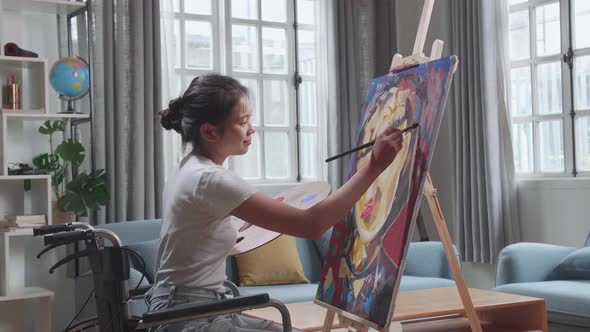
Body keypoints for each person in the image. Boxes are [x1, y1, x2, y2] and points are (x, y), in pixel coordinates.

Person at [146, 73, 403, 331]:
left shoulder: (188, 169)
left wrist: (242, 227)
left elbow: (195, 237)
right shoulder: (210, 179)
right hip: (189, 317)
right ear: (209, 131)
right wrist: (374, 167)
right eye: (242, 122)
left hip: (187, 306)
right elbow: (311, 225)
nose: (251, 129)